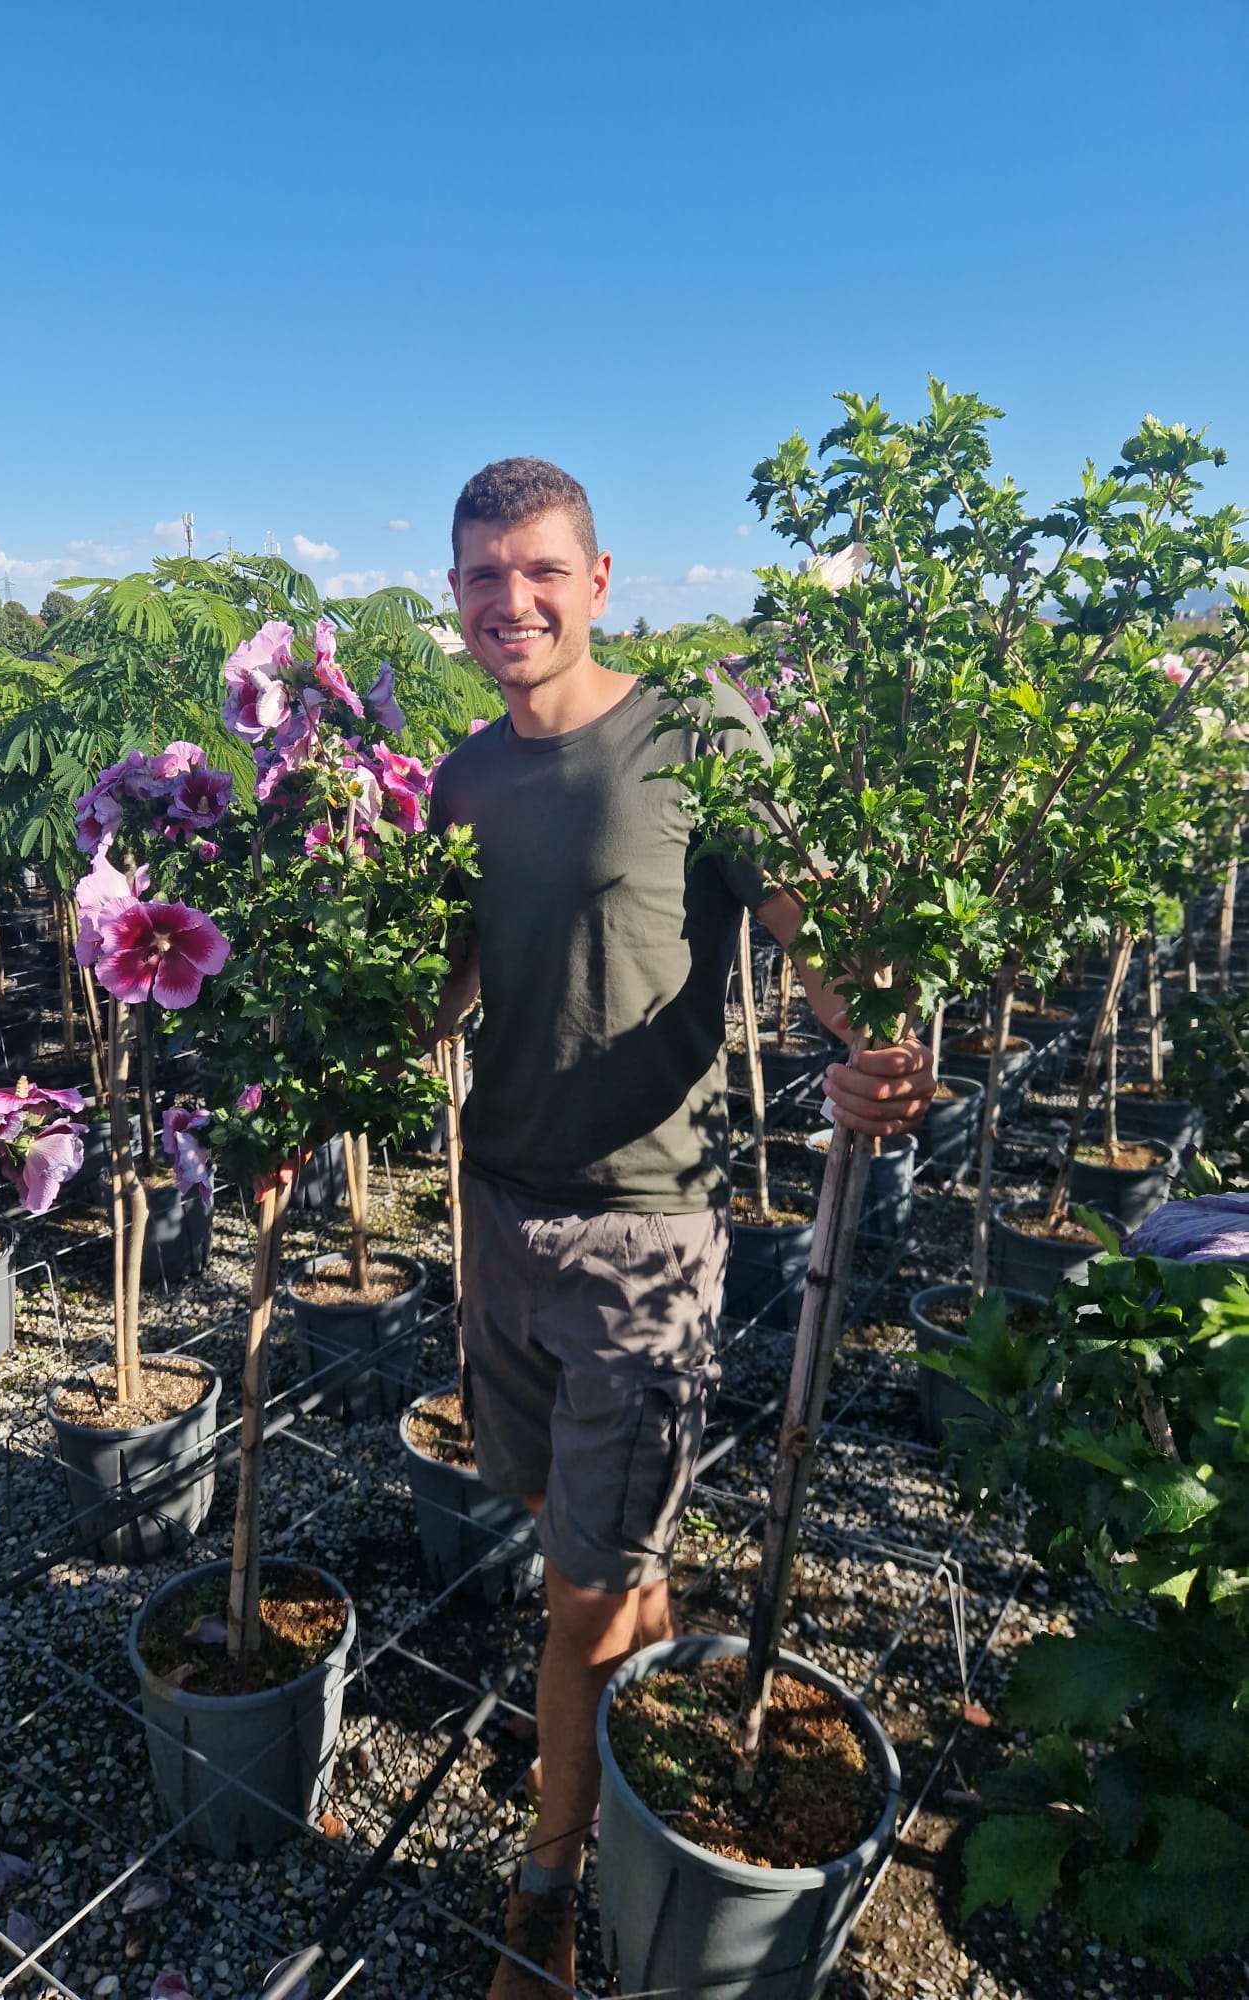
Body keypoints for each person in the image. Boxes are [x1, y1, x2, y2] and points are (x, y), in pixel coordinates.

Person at [427, 458, 934, 1999]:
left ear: (598, 579)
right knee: (581, 1555)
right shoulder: (458, 779)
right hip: (497, 1214)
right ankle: (644, 1715)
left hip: (647, 1237)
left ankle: (547, 1885)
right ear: (454, 597)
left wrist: (874, 1051)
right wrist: (325, 1079)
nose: (509, 602)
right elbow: (442, 980)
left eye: (538, 572)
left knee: (575, 1598)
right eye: (480, 577)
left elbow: (807, 932)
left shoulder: (693, 744)